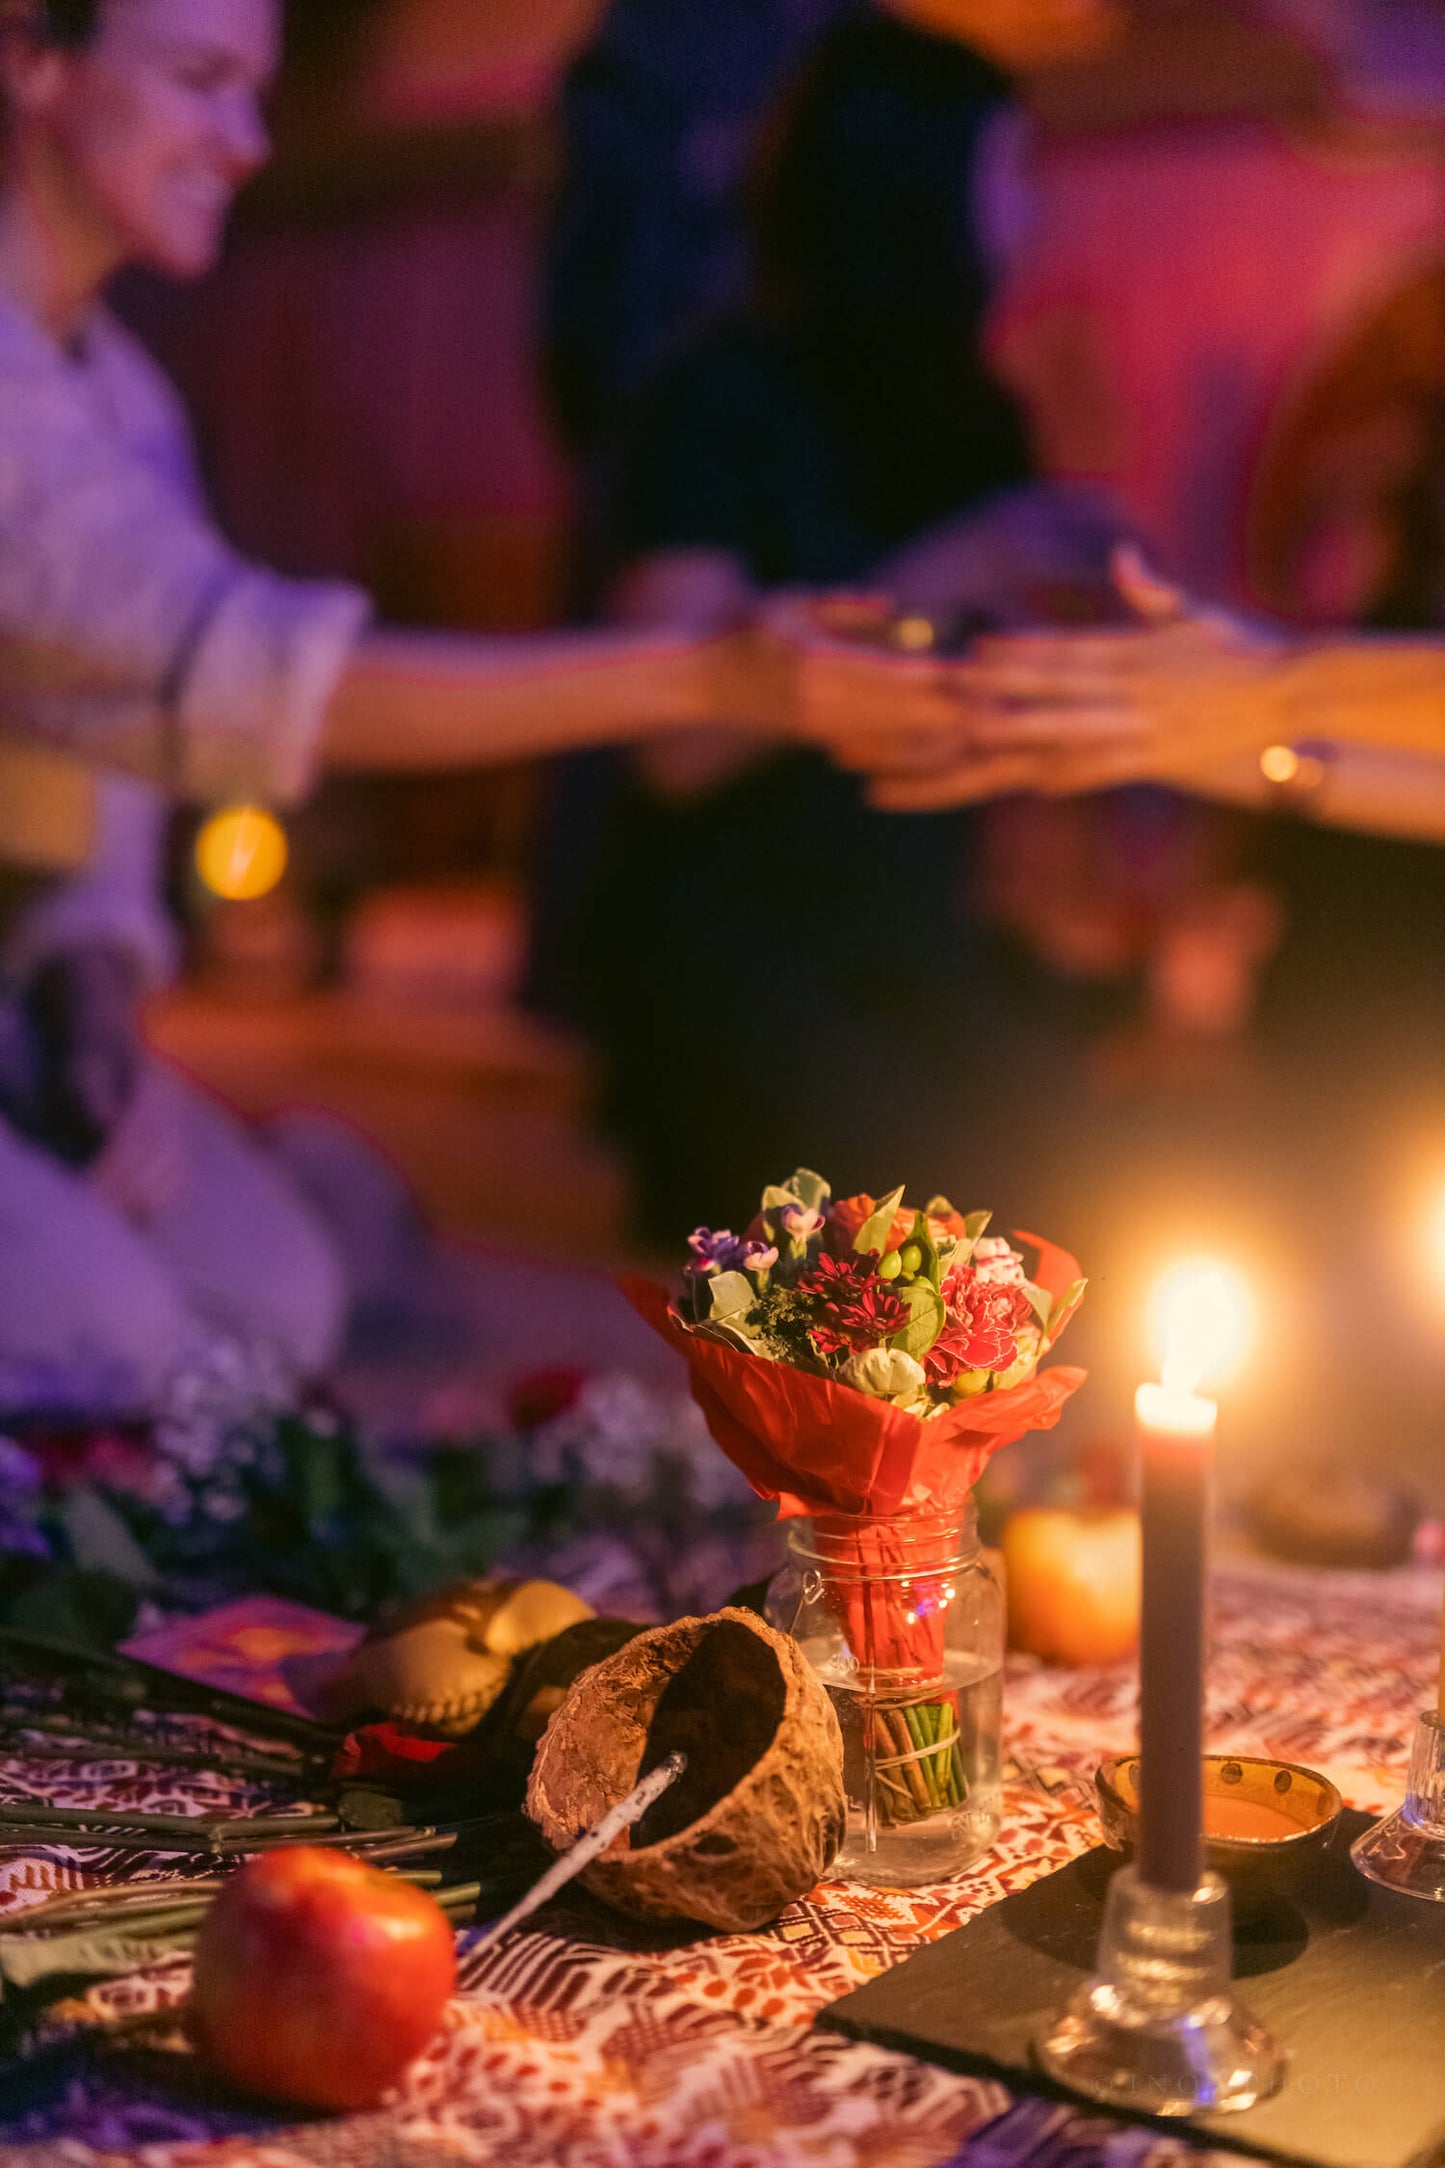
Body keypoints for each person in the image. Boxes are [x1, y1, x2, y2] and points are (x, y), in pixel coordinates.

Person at [0, 0, 962, 1416]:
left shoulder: (130, 402)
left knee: (275, 1300)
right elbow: (256, 677)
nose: (248, 142)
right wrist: (710, 671)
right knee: (125, 1347)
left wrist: (90, 999)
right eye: (202, 83)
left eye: (260, 93)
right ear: (31, 56)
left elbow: (97, 779)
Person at [547, 9, 1134, 1241]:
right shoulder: (715, 394)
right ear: (918, 187)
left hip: (909, 936)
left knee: (1105, 1188)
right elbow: (670, 742)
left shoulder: (977, 416)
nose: (1036, 216)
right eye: (1010, 173)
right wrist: (950, 567)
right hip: (735, 950)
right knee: (912, 1229)